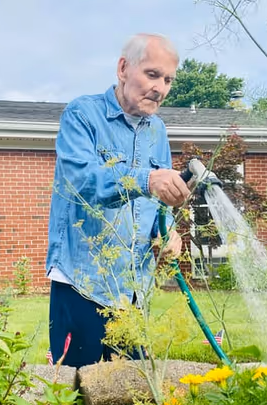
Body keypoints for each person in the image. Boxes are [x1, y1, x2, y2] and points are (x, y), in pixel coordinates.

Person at [45, 33, 190, 368]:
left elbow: (158, 208)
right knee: (77, 398)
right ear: (123, 68)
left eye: (168, 80)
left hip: (134, 290)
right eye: (152, 75)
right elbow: (82, 181)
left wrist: (166, 234)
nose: (161, 88)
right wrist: (147, 179)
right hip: (83, 284)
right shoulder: (83, 115)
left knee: (131, 396)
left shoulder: (158, 132)